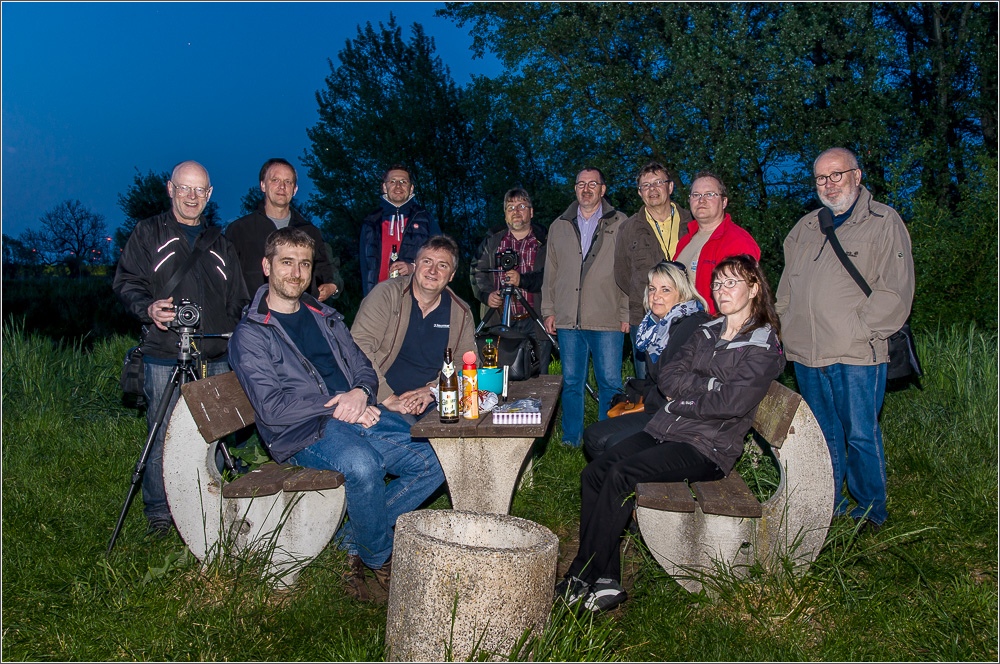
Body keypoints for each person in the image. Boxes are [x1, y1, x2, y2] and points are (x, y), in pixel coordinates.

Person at [557, 254, 785, 612]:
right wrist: (706, 386)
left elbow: (729, 403)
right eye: (718, 283)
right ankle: (605, 580)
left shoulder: (762, 345)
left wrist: (686, 399)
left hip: (707, 447)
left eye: (732, 282)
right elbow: (669, 376)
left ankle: (581, 576)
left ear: (754, 289)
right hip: (668, 429)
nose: (722, 290)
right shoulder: (707, 330)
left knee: (620, 475)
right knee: (594, 473)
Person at [228, 227, 444, 601]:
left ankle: (351, 541)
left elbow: (362, 366)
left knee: (436, 459)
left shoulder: (323, 315)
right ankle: (381, 558)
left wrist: (360, 393)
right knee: (362, 467)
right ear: (266, 266)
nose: (296, 273)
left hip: (356, 410)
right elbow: (272, 408)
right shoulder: (251, 334)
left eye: (304, 264)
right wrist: (341, 404)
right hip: (302, 430)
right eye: (286, 263)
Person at [775, 147, 914, 532]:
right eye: (821, 178)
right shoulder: (804, 228)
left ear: (857, 175)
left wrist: (862, 329)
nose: (828, 184)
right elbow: (786, 289)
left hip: (856, 351)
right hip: (806, 353)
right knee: (823, 434)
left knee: (859, 433)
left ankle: (871, 510)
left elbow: (896, 290)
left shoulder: (883, 221)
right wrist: (785, 327)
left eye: (836, 175)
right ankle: (829, 503)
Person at [113, 160, 249, 538]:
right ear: (171, 189)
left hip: (216, 358)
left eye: (199, 190)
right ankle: (159, 512)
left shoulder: (221, 243)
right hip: (164, 351)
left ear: (209, 195)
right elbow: (126, 282)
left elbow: (239, 299)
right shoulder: (147, 233)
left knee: (217, 435)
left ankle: (213, 506)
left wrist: (237, 335)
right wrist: (148, 308)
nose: (192, 196)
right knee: (163, 435)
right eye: (184, 188)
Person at [583, 260, 710, 460]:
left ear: (682, 293)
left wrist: (645, 405)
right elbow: (654, 380)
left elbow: (679, 386)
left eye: (665, 290)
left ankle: (625, 480)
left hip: (681, 417)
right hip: (659, 408)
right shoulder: (657, 327)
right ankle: (618, 482)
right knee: (593, 435)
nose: (656, 296)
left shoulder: (692, 326)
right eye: (652, 289)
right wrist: (636, 400)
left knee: (614, 445)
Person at [541, 167, 629, 447]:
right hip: (568, 319)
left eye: (593, 184)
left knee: (610, 383)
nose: (587, 189)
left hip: (607, 317)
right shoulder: (559, 225)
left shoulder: (621, 222)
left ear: (603, 189)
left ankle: (607, 440)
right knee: (572, 383)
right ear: (575, 189)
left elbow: (628, 272)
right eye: (581, 184)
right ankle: (571, 440)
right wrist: (548, 309)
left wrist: (626, 313)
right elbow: (550, 272)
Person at [351, 235, 477, 421]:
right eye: (427, 261)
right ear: (415, 265)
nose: (433, 271)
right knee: (407, 433)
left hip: (434, 400)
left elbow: (466, 363)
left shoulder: (460, 312)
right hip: (381, 398)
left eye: (443, 265)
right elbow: (358, 346)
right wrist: (388, 397)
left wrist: (433, 390)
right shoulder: (386, 295)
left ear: (451, 275)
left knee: (466, 427)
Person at [615, 162, 693, 380]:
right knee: (647, 382)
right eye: (645, 185)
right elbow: (622, 274)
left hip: (687, 319)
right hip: (645, 317)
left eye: (658, 182)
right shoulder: (628, 228)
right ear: (640, 193)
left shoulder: (692, 222)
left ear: (670, 187)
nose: (652, 189)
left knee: (687, 377)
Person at [226, 158, 342, 302]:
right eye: (275, 180)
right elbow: (226, 280)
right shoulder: (239, 230)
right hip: (254, 318)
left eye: (288, 182)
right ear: (262, 185)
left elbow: (327, 268)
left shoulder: (310, 232)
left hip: (301, 316)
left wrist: (333, 286)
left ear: (295, 190)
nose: (282, 187)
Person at [471, 188, 552, 374]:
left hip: (536, 321)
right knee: (499, 377)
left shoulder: (545, 241)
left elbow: (551, 277)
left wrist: (522, 280)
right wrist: (486, 295)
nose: (516, 211)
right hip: (498, 321)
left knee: (538, 380)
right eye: (511, 207)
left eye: (522, 206)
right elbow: (477, 272)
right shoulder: (492, 240)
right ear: (505, 214)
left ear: (531, 212)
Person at [673, 171, 761, 315]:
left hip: (714, 329)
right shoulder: (684, 241)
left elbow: (743, 300)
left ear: (724, 202)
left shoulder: (738, 241)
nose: (701, 200)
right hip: (682, 327)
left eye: (709, 194)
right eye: (696, 195)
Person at [359, 164, 441, 296]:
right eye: (393, 181)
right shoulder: (371, 222)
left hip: (416, 296)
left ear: (411, 188)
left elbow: (440, 256)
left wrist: (413, 267)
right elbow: (365, 266)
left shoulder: (425, 219)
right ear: (385, 187)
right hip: (379, 297)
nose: (398, 186)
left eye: (403, 182)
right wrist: (367, 298)